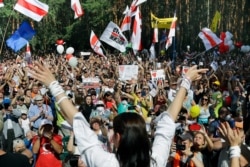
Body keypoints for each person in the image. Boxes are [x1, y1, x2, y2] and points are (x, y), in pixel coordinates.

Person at [29, 62, 208, 167]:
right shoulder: (156, 161)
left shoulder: (106, 162)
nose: (110, 132)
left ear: (118, 137)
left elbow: (78, 123)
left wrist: (53, 83)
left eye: (113, 130)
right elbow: (168, 121)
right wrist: (186, 82)